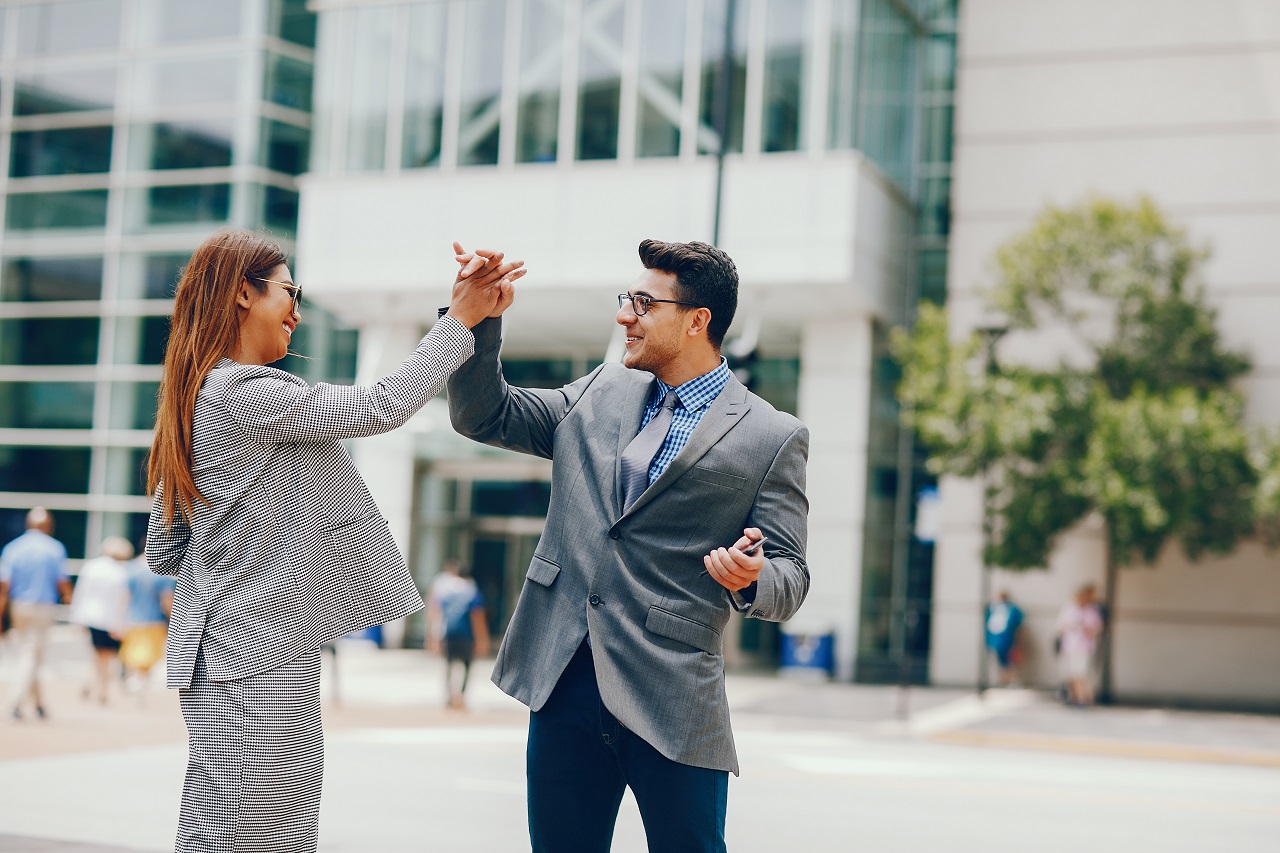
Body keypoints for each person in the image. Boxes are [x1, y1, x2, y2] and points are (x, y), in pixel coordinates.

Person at [144, 228, 523, 853]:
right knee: (258, 835)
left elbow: (167, 547)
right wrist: (459, 320)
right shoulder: (243, 392)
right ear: (243, 294)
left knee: (236, 830)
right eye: (288, 292)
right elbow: (381, 405)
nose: (296, 310)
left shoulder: (200, 394)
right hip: (253, 652)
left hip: (238, 644)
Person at [447, 239, 810, 852]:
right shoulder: (599, 392)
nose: (625, 316)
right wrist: (476, 325)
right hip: (564, 676)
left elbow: (791, 576)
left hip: (671, 693)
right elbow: (486, 416)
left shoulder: (772, 436)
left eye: (644, 303)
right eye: (627, 299)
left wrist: (751, 578)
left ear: (698, 321)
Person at [0, 507, 72, 721]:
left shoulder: (14, 548)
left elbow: (4, 586)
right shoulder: (54, 548)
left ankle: (40, 705)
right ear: (48, 525)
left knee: (31, 653)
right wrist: (70, 601)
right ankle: (15, 703)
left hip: (19, 606)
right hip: (42, 607)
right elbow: (62, 582)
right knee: (30, 655)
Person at [67, 536, 134, 705]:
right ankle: (102, 690)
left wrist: (76, 618)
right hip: (109, 619)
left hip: (90, 617)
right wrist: (120, 624)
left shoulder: (92, 567)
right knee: (107, 658)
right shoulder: (120, 573)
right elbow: (121, 601)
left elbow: (81, 592)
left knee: (96, 654)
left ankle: (89, 683)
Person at [426, 560, 491, 709]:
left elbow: (437, 613)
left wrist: (434, 636)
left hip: (449, 633)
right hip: (465, 635)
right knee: (467, 666)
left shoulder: (447, 592)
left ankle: (449, 697)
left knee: (449, 666)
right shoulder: (471, 591)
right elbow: (477, 617)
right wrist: (482, 639)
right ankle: (460, 696)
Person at [119, 537, 176, 699]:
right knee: (148, 659)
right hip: (153, 621)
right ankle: (137, 686)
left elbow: (125, 596)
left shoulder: (131, 568)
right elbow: (166, 600)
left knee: (135, 657)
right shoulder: (161, 572)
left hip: (133, 620)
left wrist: (120, 619)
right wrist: (172, 620)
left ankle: (135, 685)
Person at [1055, 583, 1104, 707]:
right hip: (1069, 646)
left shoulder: (1091, 611)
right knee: (1069, 674)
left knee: (1080, 674)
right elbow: (1060, 626)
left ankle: (1084, 699)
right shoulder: (1069, 609)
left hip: (1083, 647)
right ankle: (1073, 698)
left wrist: (1087, 630)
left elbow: (1097, 628)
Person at [985, 589, 1024, 687]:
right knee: (1002, 661)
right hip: (997, 640)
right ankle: (1004, 681)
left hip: (1009, 640)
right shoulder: (993, 609)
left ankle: (1011, 680)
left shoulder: (1012, 609)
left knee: (1010, 661)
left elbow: (1018, 625)